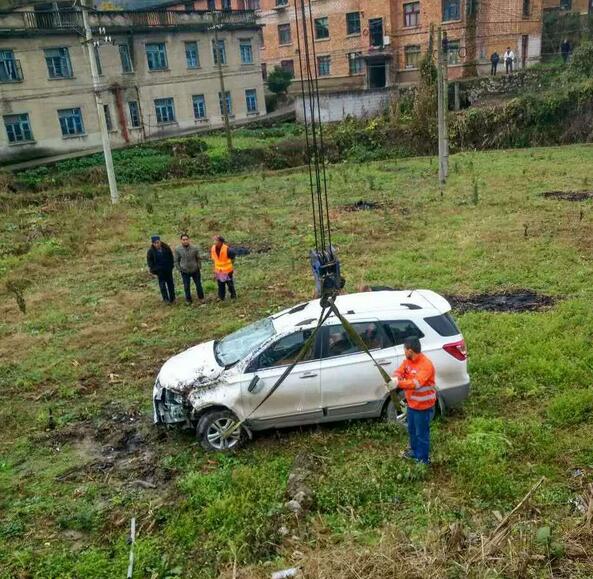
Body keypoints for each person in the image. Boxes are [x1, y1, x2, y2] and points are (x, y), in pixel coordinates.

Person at [391, 337, 437, 465]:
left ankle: (423, 460)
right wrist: (395, 378)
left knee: (421, 434)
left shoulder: (426, 365)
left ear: (410, 350)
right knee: (412, 430)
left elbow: (416, 383)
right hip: (412, 405)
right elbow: (400, 371)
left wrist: (398, 384)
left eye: (405, 349)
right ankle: (414, 451)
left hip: (423, 407)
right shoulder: (408, 361)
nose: (404, 352)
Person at [175, 233, 204, 304]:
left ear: (189, 240)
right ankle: (188, 300)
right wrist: (180, 269)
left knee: (198, 285)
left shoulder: (195, 248)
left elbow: (198, 258)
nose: (185, 241)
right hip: (184, 271)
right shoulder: (178, 249)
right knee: (186, 286)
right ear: (181, 240)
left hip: (195, 270)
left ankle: (201, 298)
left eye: (186, 239)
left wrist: (199, 266)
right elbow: (176, 260)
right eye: (183, 240)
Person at [147, 235, 175, 303]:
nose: (157, 244)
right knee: (162, 285)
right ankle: (165, 299)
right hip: (159, 271)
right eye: (155, 243)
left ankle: (172, 298)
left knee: (170, 284)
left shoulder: (166, 248)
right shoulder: (150, 251)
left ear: (160, 242)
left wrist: (171, 266)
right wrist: (155, 270)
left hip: (168, 269)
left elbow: (171, 257)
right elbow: (150, 262)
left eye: (158, 242)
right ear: (153, 243)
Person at [211, 235, 237, 301]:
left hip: (227, 271)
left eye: (215, 240)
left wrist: (230, 265)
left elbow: (233, 258)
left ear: (220, 242)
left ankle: (233, 296)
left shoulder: (228, 249)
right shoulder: (213, 248)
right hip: (219, 271)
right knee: (220, 285)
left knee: (230, 284)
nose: (214, 242)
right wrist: (214, 270)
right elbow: (214, 260)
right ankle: (221, 297)